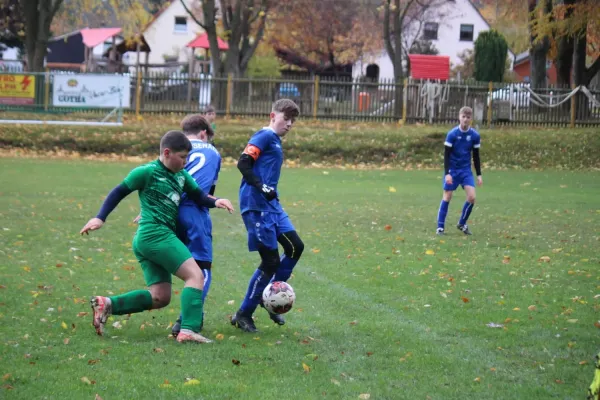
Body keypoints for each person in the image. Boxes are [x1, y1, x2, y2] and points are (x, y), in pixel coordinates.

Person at [80, 130, 234, 344]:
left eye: (187, 157)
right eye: (182, 157)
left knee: (160, 297)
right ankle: (188, 329)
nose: (185, 162)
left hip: (148, 240)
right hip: (156, 235)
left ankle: (106, 304)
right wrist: (99, 218)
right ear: (167, 153)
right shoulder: (146, 172)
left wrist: (216, 201)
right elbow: (118, 192)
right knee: (196, 276)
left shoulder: (181, 175)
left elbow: (199, 196)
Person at [231, 99, 305, 333]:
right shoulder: (263, 136)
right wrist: (261, 186)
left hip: (272, 205)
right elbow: (243, 164)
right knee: (271, 261)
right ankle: (244, 313)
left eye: (293, 120)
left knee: (295, 247)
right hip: (256, 205)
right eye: (286, 118)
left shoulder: (275, 140)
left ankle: (269, 296)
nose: (290, 124)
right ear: (272, 115)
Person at [170, 114, 221, 337]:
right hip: (194, 211)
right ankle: (188, 319)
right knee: (202, 268)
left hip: (168, 210)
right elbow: (209, 193)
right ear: (203, 133)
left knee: (181, 264)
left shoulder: (174, 148)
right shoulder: (213, 151)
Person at [436, 106, 483, 236]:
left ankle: (462, 223)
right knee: (447, 196)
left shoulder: (474, 136)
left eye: (468, 117)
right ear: (459, 117)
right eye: (463, 117)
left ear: (471, 119)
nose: (465, 120)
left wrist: (479, 174)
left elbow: (476, 156)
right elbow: (446, 155)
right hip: (453, 169)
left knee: (472, 197)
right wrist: (447, 174)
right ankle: (440, 227)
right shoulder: (452, 134)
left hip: (465, 170)